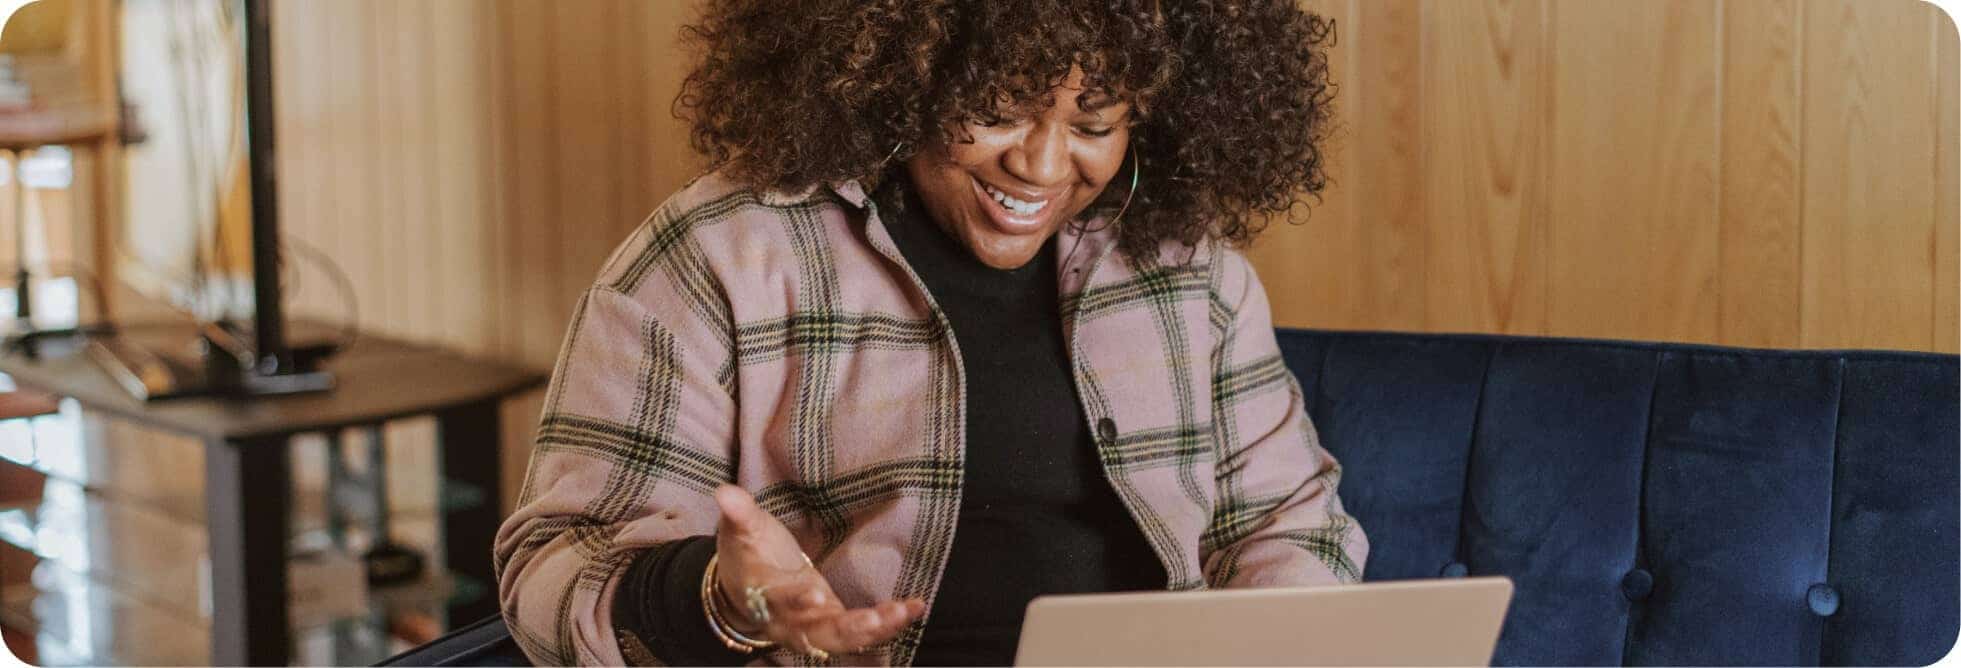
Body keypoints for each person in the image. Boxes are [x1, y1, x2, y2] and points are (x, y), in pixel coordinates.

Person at [494, 1, 1365, 665]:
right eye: (999, 108)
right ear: (908, 74)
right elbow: (549, 572)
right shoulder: (720, 256)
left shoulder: (1191, 272)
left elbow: (1289, 525)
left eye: (1094, 124)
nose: (1043, 164)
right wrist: (717, 599)